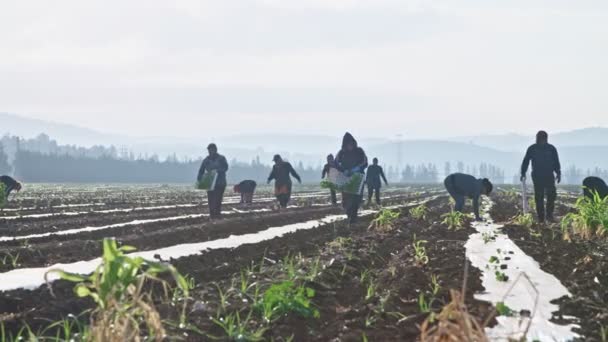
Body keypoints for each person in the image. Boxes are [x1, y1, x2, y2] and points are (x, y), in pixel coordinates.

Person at [520, 131, 561, 223]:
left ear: (546, 139)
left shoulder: (551, 149)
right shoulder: (532, 148)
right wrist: (523, 172)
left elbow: (556, 162)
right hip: (537, 176)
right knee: (539, 197)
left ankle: (549, 215)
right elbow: (526, 161)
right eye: (538, 138)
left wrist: (558, 172)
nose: (539, 140)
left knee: (551, 195)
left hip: (548, 175)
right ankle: (541, 218)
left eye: (541, 138)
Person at [335, 132, 368, 224]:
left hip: (358, 177)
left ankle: (353, 217)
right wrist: (343, 170)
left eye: (351, 143)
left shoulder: (359, 151)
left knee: (356, 199)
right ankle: (349, 215)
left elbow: (365, 162)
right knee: (346, 199)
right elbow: (336, 163)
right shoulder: (341, 153)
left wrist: (356, 169)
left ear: (353, 143)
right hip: (346, 178)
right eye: (347, 144)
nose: (349, 146)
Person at [197, 143, 229, 219]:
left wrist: (218, 171)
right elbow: (201, 170)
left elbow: (226, 168)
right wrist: (200, 179)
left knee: (218, 199)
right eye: (208, 150)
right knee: (210, 200)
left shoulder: (221, 158)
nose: (209, 151)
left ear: (215, 150)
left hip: (220, 182)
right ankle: (212, 215)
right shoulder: (206, 160)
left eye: (211, 150)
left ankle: (217, 215)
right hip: (210, 182)